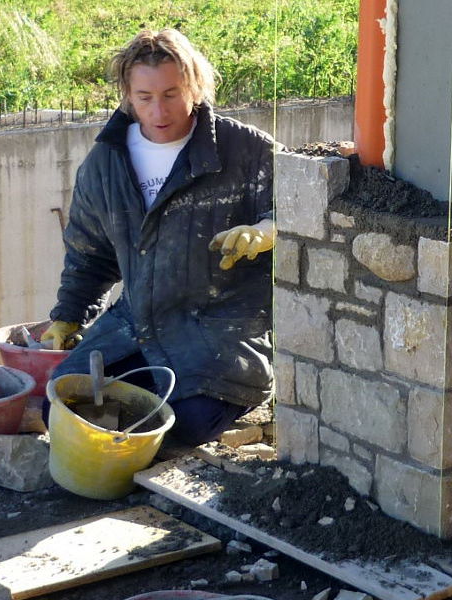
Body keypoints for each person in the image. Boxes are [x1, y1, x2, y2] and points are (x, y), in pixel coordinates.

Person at [38, 29, 276, 446]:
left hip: (220, 329)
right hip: (137, 322)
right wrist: (68, 315)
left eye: (171, 94)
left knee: (184, 423)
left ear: (196, 87)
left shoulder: (246, 149)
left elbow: (296, 207)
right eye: (145, 97)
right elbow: (89, 254)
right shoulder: (105, 163)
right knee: (57, 405)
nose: (159, 110)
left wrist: (268, 231)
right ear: (128, 95)